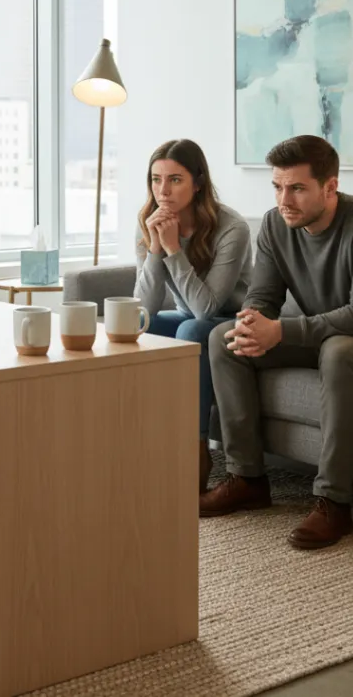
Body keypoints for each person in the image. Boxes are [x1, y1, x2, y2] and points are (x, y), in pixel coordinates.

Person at [200, 134, 353, 549]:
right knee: (223, 338)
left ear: (330, 187)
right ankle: (247, 478)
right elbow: (263, 298)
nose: (285, 199)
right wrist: (251, 324)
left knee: (339, 351)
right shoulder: (274, 223)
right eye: (278, 187)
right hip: (328, 336)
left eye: (298, 188)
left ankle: (333, 503)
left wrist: (281, 331)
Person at [134, 139, 252, 493]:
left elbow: (208, 308)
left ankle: (196, 449)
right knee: (139, 329)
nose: (163, 191)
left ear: (198, 183)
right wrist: (155, 247)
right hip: (190, 317)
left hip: (232, 319)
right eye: (156, 180)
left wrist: (173, 248)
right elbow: (144, 308)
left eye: (175, 180)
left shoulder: (232, 228)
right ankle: (141, 442)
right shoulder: (148, 221)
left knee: (191, 328)